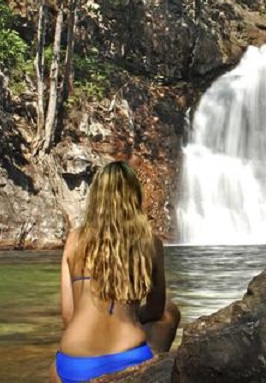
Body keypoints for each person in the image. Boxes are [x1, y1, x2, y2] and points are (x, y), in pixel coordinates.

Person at [49, 161, 181, 383]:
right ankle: (154, 373)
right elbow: (156, 309)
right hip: (129, 362)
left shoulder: (74, 240)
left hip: (72, 368)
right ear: (135, 196)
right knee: (170, 311)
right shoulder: (150, 242)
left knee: (54, 367)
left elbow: (68, 316)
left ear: (96, 197)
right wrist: (132, 317)